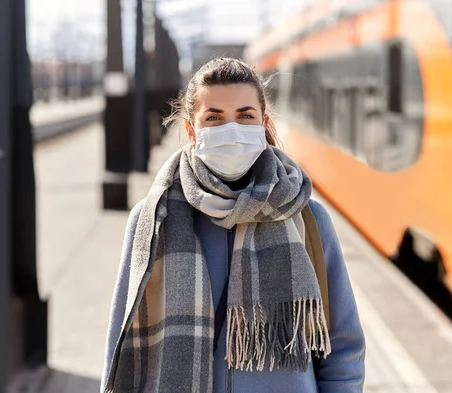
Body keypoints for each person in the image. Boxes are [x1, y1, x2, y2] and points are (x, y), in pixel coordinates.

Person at [100, 57, 365, 393]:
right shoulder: (152, 220)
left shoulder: (308, 217)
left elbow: (343, 346)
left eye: (244, 116)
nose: (231, 130)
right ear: (191, 130)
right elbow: (119, 347)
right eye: (214, 118)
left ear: (263, 122)